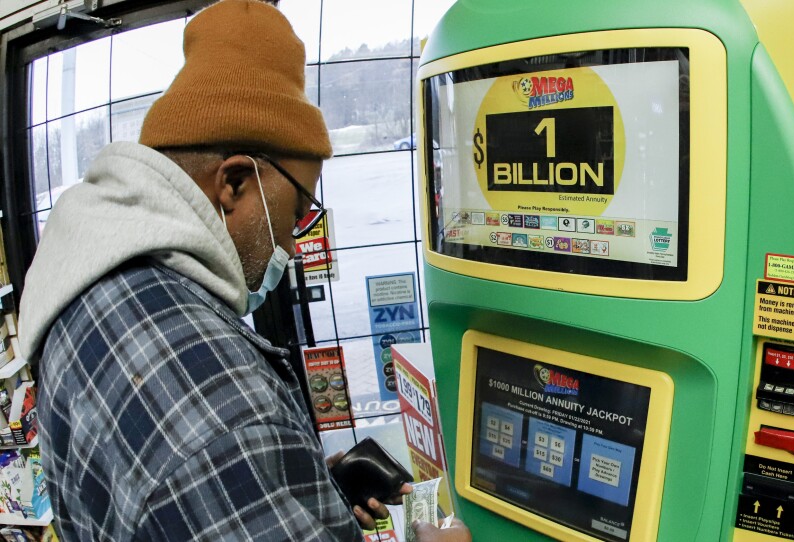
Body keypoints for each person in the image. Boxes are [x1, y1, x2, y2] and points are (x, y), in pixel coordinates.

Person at [18, 1, 471, 541]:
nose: (293, 245)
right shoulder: (216, 403)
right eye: (296, 212)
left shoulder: (90, 286)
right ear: (233, 183)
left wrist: (297, 492)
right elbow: (212, 442)